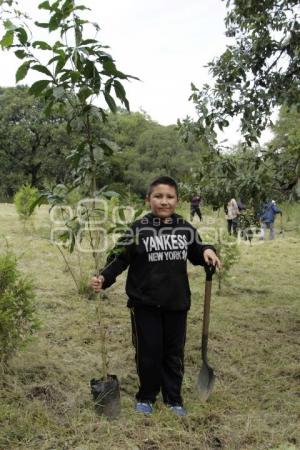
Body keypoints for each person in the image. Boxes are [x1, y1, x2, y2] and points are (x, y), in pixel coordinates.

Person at [91, 176, 221, 417]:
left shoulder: (184, 228)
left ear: (177, 200)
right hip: (144, 305)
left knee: (174, 354)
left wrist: (207, 250)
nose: (164, 201)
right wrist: (103, 278)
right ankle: (147, 395)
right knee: (148, 353)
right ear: (148, 199)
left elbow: (198, 249)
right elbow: (119, 258)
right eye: (158, 196)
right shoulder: (138, 229)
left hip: (176, 304)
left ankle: (174, 398)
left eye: (169, 197)